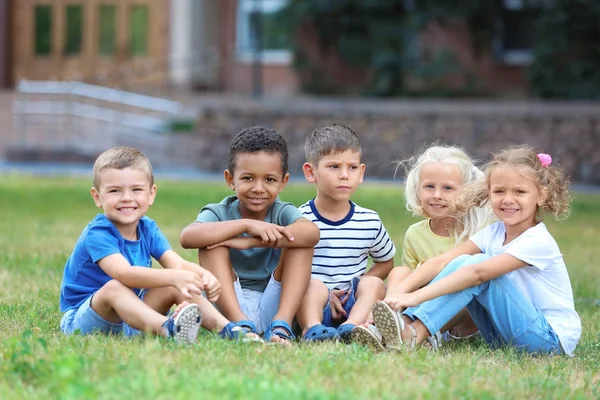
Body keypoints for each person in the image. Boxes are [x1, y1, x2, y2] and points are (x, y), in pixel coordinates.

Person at [371, 146, 581, 356]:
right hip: (502, 335)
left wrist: (416, 297)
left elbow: (476, 274)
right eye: (499, 191)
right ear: (488, 193)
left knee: (475, 265)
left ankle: (413, 334)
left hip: (547, 340)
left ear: (541, 196)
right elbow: (442, 261)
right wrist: (396, 297)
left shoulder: (538, 240)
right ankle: (401, 325)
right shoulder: (493, 232)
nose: (508, 199)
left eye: (519, 191)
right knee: (461, 260)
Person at [60, 146, 258, 343]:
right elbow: (125, 275)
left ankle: (229, 331)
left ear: (151, 193)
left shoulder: (147, 228)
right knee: (115, 287)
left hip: (131, 318)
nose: (127, 198)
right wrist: (174, 277)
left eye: (136, 190)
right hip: (85, 319)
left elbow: (177, 264)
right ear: (97, 196)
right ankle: (169, 329)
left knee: (174, 286)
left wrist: (203, 276)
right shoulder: (99, 233)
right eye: (114, 191)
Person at [180, 126, 320, 345]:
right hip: (228, 305)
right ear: (230, 179)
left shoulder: (281, 211)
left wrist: (249, 241)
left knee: (300, 242)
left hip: (274, 303)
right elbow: (188, 237)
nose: (258, 188)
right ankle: (240, 327)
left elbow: (311, 233)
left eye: (269, 180)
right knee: (211, 243)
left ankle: (282, 326)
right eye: (247, 178)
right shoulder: (219, 211)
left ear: (283, 182)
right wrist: (245, 224)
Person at [353, 145, 492, 350]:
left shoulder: (477, 234)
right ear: (417, 189)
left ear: (467, 192)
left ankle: (414, 332)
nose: (437, 195)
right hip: (420, 306)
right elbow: (409, 282)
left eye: (447, 188)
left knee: (461, 277)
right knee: (400, 272)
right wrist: (394, 299)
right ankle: (392, 321)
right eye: (429, 187)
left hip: (461, 320)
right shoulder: (415, 234)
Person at [295, 124, 396, 342]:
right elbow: (286, 270)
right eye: (333, 166)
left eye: (351, 168)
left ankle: (353, 328)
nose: (344, 175)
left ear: (361, 173)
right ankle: (311, 330)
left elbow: (386, 262)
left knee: (375, 285)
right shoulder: (298, 220)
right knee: (311, 286)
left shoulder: (369, 220)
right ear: (311, 172)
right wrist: (326, 294)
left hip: (352, 305)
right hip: (314, 304)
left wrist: (360, 283)